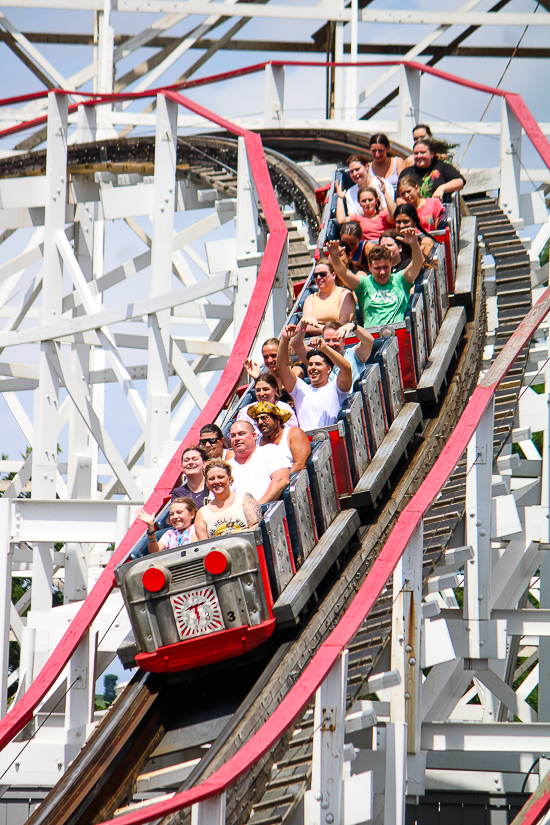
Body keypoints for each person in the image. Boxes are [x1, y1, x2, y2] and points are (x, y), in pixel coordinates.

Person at [327, 231, 423, 327]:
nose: (382, 272)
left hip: (398, 333)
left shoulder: (401, 280)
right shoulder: (364, 284)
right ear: (370, 267)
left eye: (385, 267)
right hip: (373, 338)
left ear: (390, 264)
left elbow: (417, 263)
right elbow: (343, 273)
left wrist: (414, 244)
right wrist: (334, 256)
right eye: (377, 268)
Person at [276, 326, 353, 430]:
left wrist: (325, 347)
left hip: (331, 440)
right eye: (310, 364)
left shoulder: (336, 388)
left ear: (328, 369)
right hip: (306, 443)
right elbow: (282, 367)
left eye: (318, 364)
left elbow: (346, 368)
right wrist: (284, 338)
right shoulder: (300, 390)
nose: (313, 368)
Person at [291, 320, 373, 387]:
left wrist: (354, 326)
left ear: (344, 341)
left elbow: (369, 341)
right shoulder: (317, 357)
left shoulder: (353, 354)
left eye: (335, 340)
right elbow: (296, 344)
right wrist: (302, 324)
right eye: (327, 340)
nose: (331, 344)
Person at [194, 460, 262, 539]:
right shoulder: (202, 514)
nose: (216, 481)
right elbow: (204, 545)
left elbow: (257, 528)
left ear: (230, 479)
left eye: (221, 477)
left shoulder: (244, 499)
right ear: (207, 483)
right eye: (211, 479)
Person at [228, 420, 291, 503]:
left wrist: (257, 507)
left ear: (254, 435)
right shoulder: (226, 467)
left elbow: (282, 480)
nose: (237, 438)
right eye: (233, 435)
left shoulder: (270, 451)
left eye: (241, 434)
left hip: (268, 511)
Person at [248, 401, 311, 473]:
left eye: (264, 418)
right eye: (257, 420)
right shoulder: (256, 442)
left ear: (277, 418)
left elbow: (300, 464)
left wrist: (281, 480)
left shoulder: (293, 434)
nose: (260, 422)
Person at [398, 139, 465, 200]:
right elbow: (399, 198)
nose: (419, 156)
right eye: (416, 153)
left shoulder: (441, 166)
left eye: (422, 152)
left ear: (432, 154)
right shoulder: (406, 173)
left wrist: (442, 188)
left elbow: (460, 182)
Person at [300, 260, 355, 333]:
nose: (319, 277)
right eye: (315, 275)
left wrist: (320, 328)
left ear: (333, 275)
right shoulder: (310, 299)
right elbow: (306, 325)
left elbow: (343, 324)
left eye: (323, 274)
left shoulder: (345, 295)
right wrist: (328, 329)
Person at [365, 133, 406, 202]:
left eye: (380, 151)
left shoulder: (398, 162)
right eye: (374, 151)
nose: (377, 154)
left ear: (387, 149)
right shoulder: (368, 167)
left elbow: (405, 184)